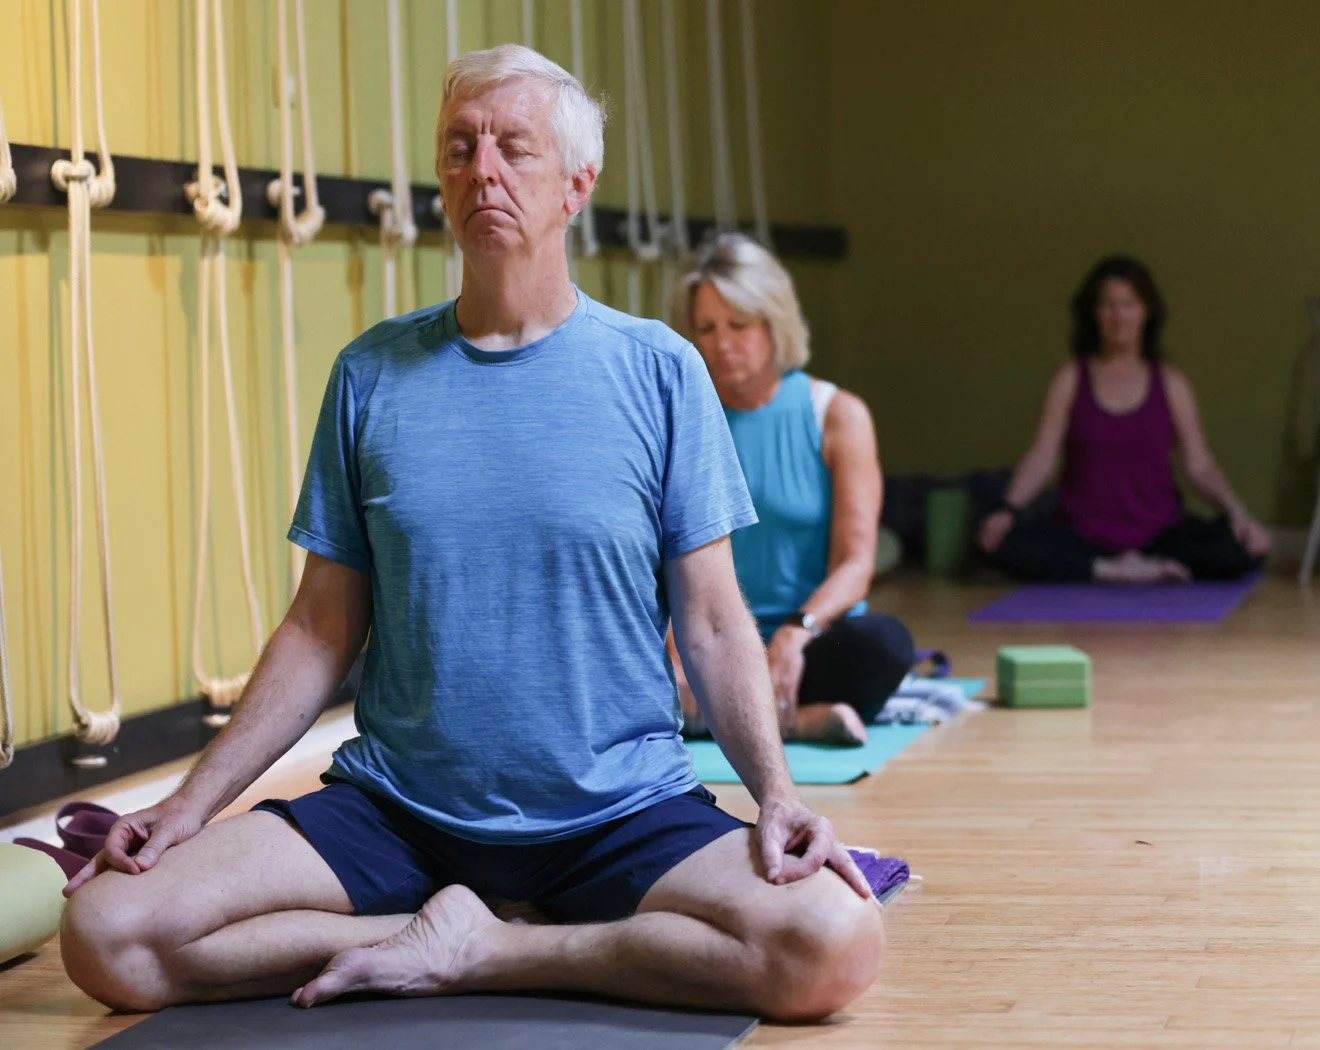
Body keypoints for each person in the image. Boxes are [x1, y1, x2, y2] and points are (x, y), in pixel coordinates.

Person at [57, 46, 883, 1023]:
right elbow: (320, 630)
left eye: (513, 148)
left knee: (832, 944)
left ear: (577, 185)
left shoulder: (661, 371)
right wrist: (191, 805)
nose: (481, 169)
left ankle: (495, 945)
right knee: (106, 931)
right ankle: (428, 929)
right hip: (399, 815)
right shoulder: (371, 373)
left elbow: (711, 622)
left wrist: (778, 795)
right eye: (459, 147)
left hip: (617, 812)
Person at [668, 234, 914, 747]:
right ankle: (797, 722)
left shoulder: (838, 415)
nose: (722, 343)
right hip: (708, 639)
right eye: (706, 328)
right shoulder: (680, 416)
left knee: (885, 644)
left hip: (810, 639)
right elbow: (657, 553)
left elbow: (856, 564)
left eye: (739, 325)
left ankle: (717, 717)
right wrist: (673, 643)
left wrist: (797, 632)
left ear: (773, 321)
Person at [979, 255, 1269, 583]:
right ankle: (1111, 571)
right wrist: (1008, 509)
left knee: (1247, 548)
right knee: (1000, 542)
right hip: (1083, 536)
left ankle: (1145, 565)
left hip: (1159, 535)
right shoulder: (1070, 378)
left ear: (1146, 312)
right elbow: (1041, 457)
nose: (1118, 316)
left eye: (1128, 304)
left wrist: (1237, 514)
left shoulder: (1172, 384)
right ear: (1094, 314)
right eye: (1108, 305)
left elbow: (1199, 464)